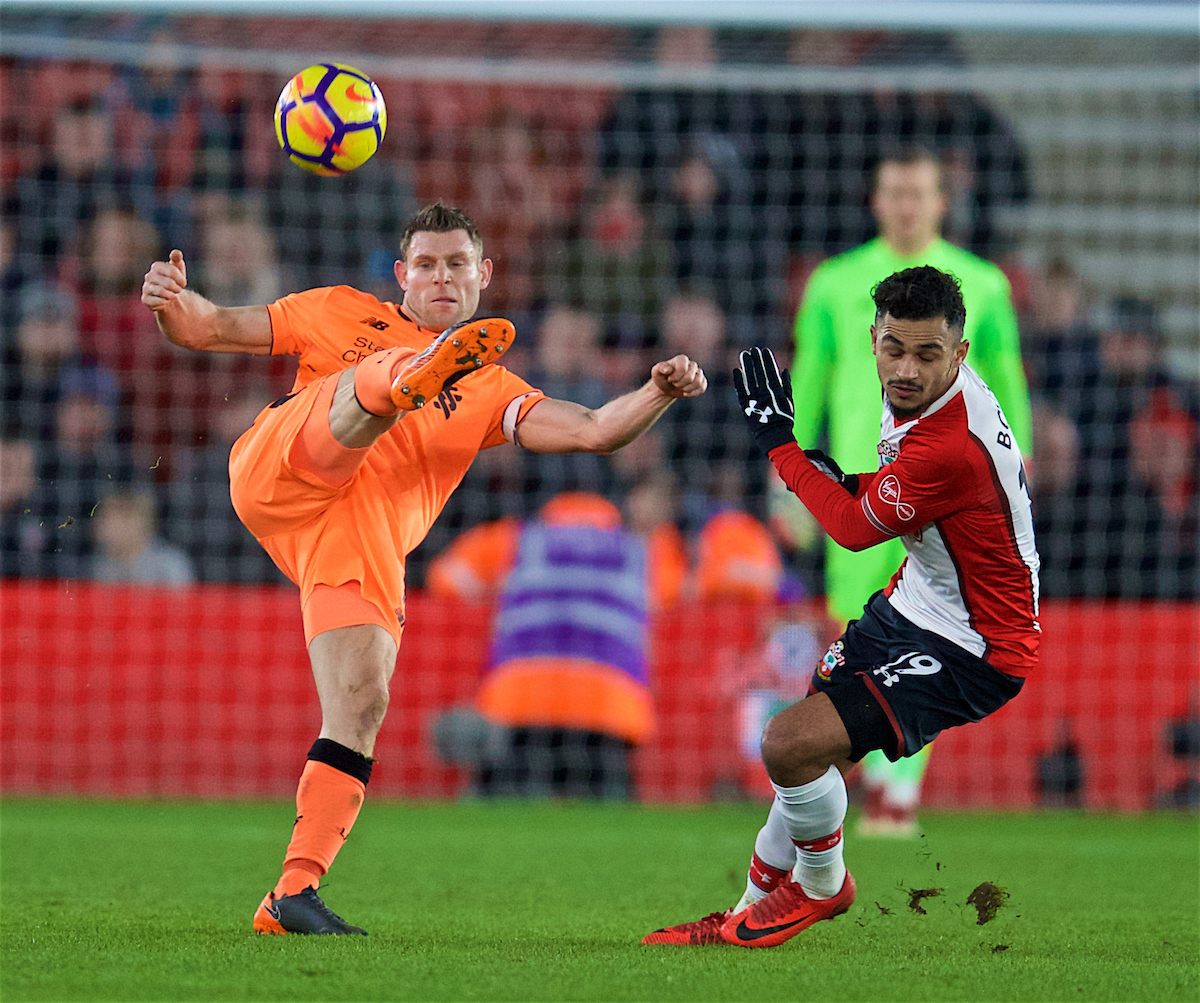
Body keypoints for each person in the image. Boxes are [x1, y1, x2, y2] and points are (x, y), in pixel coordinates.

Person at [140, 200, 707, 937]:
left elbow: (595, 430)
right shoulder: (336, 309)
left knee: (362, 700)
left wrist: (657, 392)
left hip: (356, 532)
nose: (443, 276)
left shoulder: (493, 387)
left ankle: (291, 894)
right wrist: (170, 302)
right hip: (282, 466)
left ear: (484, 274)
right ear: (403, 275)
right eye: (428, 265)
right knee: (374, 376)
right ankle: (405, 380)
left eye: (458, 264)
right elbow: (207, 327)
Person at [643, 265, 1039, 948]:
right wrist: (841, 476)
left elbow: (856, 530)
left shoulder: (953, 442)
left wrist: (784, 451)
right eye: (894, 348)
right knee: (807, 753)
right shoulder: (918, 398)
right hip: (913, 604)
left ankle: (824, 884)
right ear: (875, 338)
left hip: (976, 648)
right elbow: (887, 492)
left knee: (786, 743)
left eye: (928, 353)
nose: (907, 368)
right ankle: (742, 913)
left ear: (962, 354)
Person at [791, 146, 1032, 834]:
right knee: (859, 628)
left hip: (949, 495)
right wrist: (792, 480)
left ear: (940, 200)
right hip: (860, 486)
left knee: (942, 627)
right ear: (876, 200)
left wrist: (1025, 461)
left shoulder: (982, 285)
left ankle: (895, 793)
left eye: (917, 192)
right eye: (894, 191)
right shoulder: (836, 282)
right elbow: (811, 377)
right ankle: (881, 783)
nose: (905, 204)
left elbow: (1007, 377)